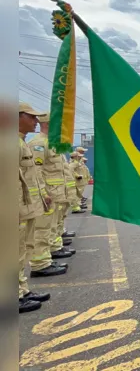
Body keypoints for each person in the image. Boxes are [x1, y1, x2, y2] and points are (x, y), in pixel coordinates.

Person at [19, 103, 57, 313]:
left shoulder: (22, 142)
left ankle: (21, 291)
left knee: (21, 249)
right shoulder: (33, 144)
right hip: (17, 206)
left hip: (27, 204)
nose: (34, 121)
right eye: (31, 117)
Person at [29, 114, 77, 262]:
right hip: (49, 193)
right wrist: (43, 193)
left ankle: (53, 249)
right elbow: (36, 171)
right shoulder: (38, 144)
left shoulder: (52, 143)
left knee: (52, 225)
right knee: (42, 228)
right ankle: (40, 263)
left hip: (56, 193)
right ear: (48, 124)